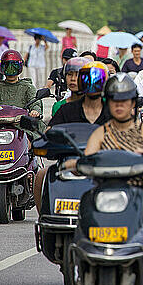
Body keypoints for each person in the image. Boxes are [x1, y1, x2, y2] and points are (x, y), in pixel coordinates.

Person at [64, 73, 143, 277]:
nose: (119, 105)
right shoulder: (101, 132)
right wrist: (76, 164)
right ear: (108, 103)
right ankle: (84, 258)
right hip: (104, 190)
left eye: (124, 101)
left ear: (133, 104)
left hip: (139, 189)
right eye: (114, 100)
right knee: (83, 206)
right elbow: (88, 158)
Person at [34, 62, 111, 213]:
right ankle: (45, 221)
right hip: (69, 164)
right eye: (87, 79)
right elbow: (50, 133)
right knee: (42, 175)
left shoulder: (113, 111)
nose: (92, 84)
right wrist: (44, 142)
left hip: (104, 165)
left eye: (97, 80)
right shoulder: (66, 109)